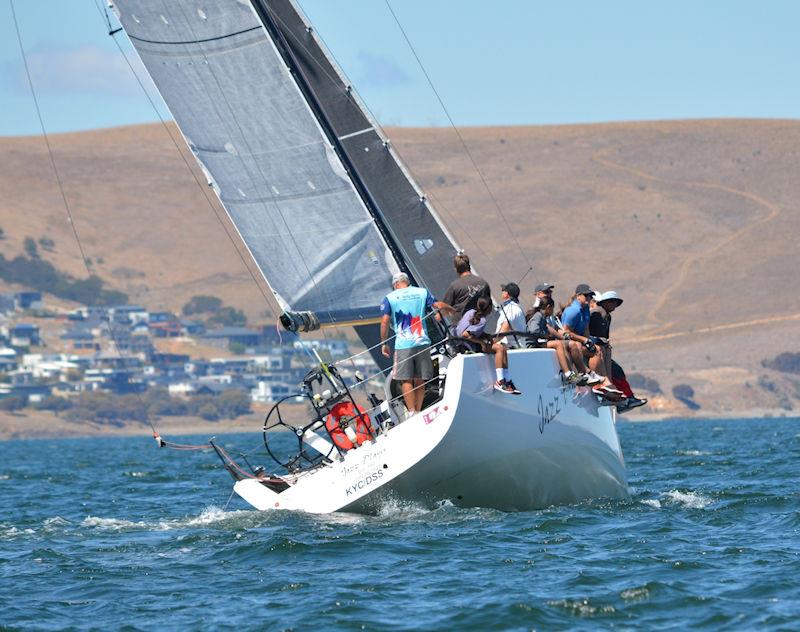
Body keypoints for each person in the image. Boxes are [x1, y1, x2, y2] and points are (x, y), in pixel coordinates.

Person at [380, 272, 455, 415]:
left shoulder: (390, 298)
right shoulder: (422, 292)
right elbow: (438, 305)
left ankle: (412, 412)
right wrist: (451, 309)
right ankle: (419, 410)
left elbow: (384, 322)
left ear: (396, 285)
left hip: (404, 345)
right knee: (419, 379)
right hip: (422, 341)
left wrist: (384, 343)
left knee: (405, 380)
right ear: (407, 282)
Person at [590, 291, 648, 413]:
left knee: (618, 371)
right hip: (593, 350)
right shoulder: (596, 314)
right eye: (612, 302)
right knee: (614, 371)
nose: (614, 305)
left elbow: (605, 336)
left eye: (616, 303)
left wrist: (606, 343)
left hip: (602, 351)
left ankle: (628, 398)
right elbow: (588, 334)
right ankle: (622, 399)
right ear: (604, 303)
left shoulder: (608, 317)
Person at [561, 284, 623, 398]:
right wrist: (585, 340)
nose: (589, 299)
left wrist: (589, 340)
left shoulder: (584, 310)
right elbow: (566, 332)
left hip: (579, 341)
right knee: (597, 350)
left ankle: (606, 382)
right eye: (587, 296)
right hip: (569, 343)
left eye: (590, 296)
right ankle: (597, 383)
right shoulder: (573, 311)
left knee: (604, 349)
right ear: (578, 296)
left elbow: (585, 330)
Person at [527, 298, 602, 386]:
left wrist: (562, 337)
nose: (552, 312)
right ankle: (568, 374)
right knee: (558, 344)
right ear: (548, 307)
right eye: (552, 309)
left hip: (539, 342)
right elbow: (533, 331)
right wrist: (546, 335)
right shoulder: (538, 316)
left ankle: (581, 373)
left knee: (568, 344)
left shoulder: (542, 316)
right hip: (533, 344)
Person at [493, 282, 526, 394]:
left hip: (511, 346)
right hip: (514, 345)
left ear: (507, 294)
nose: (502, 292)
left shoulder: (510, 309)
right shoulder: (517, 307)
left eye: (503, 290)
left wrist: (492, 341)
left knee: (498, 347)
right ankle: (507, 381)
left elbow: (504, 328)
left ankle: (501, 381)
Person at [442, 253, 491, 319]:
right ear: (469, 266)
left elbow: (444, 309)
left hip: (461, 326)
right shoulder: (484, 283)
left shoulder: (455, 286)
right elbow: (489, 306)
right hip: (478, 325)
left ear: (456, 269)